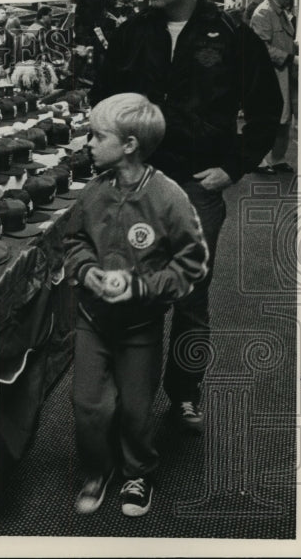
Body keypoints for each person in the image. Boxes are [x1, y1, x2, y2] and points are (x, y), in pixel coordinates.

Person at [90, 0, 281, 432]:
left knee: (191, 299)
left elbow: (267, 109)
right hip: (136, 184)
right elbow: (103, 101)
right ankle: (126, 398)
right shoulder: (133, 33)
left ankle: (184, 396)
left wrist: (234, 167)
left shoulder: (231, 32)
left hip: (199, 185)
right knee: (130, 293)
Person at [65, 92, 208, 518]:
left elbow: (194, 264)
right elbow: (73, 242)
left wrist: (141, 288)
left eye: (96, 135)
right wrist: (87, 271)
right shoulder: (94, 191)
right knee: (88, 404)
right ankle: (97, 469)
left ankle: (138, 472)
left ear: (129, 144)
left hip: (139, 327)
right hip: (93, 320)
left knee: (136, 409)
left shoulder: (168, 198)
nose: (87, 143)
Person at [249, 0, 298, 174]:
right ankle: (258, 160)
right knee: (267, 118)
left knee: (284, 119)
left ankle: (278, 158)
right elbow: (261, 48)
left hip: (285, 73)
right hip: (270, 75)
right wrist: (289, 58)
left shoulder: (282, 13)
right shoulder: (263, 13)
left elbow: (285, 41)